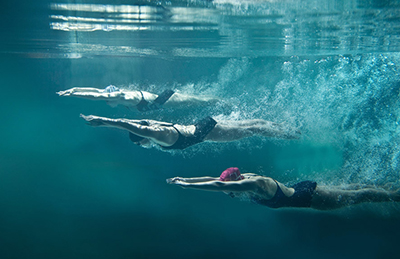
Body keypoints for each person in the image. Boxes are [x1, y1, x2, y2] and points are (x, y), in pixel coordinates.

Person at [167, 167, 400, 210]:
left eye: (232, 190)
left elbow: (217, 185)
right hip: (303, 189)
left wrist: (187, 186)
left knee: (357, 197)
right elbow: (215, 178)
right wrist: (187, 178)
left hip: (309, 197)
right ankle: (385, 188)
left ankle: (393, 195)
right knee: (350, 189)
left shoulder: (254, 184)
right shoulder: (244, 178)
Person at [80, 114, 301, 150]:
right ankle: (283, 126)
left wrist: (102, 121)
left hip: (207, 132)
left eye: (140, 142)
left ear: (143, 137)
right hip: (202, 125)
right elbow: (138, 121)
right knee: (250, 124)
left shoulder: (157, 136)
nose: (143, 145)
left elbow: (130, 125)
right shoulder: (158, 128)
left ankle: (291, 133)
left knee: (252, 130)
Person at [57, 85, 218, 111]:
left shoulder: (119, 96)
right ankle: (218, 101)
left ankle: (221, 101)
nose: (106, 102)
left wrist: (73, 94)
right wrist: (74, 88)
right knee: (196, 101)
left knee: (199, 101)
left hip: (164, 100)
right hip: (162, 101)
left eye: (107, 99)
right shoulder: (119, 96)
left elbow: (95, 96)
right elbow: (96, 91)